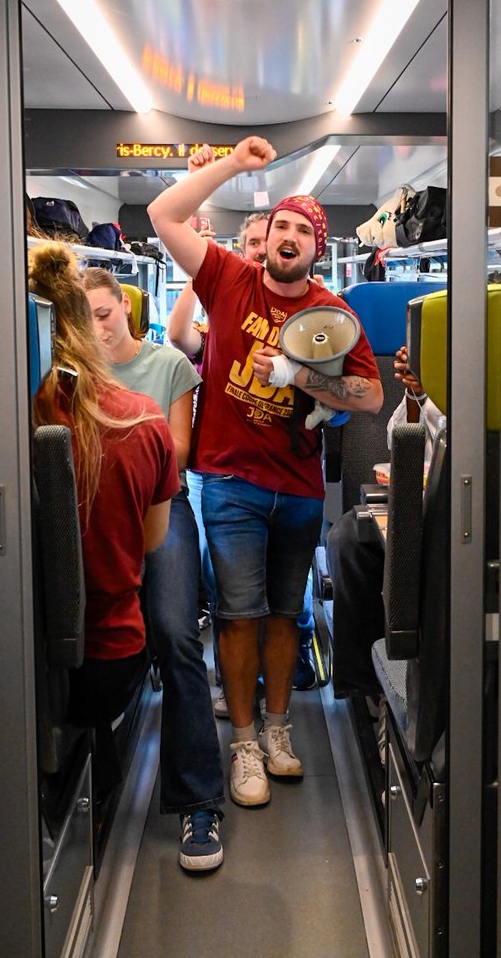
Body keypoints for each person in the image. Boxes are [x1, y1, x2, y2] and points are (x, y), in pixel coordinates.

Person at [147, 136, 383, 808]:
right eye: (279, 224)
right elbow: (164, 216)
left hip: (299, 487)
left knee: (286, 614)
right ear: (266, 236)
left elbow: (368, 396)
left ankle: (280, 732)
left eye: (301, 230)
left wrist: (302, 376)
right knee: (237, 615)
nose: (286, 236)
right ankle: (244, 744)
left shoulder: (332, 312)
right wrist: (233, 168)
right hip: (229, 483)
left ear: (316, 247)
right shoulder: (227, 276)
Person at [80, 266, 226, 872]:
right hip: (90, 507)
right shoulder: (68, 371)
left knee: (174, 632)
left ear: (127, 310)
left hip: (161, 503)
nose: (97, 328)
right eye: (82, 317)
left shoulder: (167, 367)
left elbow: (180, 451)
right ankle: (93, 777)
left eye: (105, 314)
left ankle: (198, 798)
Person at [27, 241, 179, 809]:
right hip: (108, 658)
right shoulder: (142, 418)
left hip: (17, 657)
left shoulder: (3, 416)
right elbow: (152, 541)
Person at [168, 210, 319, 711]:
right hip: (231, 475)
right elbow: (179, 336)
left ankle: (277, 686)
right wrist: (199, 276)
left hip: (292, 478)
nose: (261, 248)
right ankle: (239, 703)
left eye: (266, 239)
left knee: (281, 607)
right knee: (237, 604)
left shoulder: (314, 313)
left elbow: (345, 398)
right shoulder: (228, 305)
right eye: (253, 241)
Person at [326, 345, 443, 700]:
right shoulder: (435, 385)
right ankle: (366, 686)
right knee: (347, 539)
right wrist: (416, 394)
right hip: (418, 501)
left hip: (460, 508)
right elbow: (399, 442)